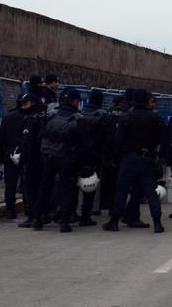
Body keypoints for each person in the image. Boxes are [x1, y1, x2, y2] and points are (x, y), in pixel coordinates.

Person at [103, 89, 166, 233]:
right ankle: (157, 222)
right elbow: (163, 139)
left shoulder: (126, 117)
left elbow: (118, 141)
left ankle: (114, 221)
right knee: (151, 192)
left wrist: (116, 158)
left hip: (129, 158)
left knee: (122, 191)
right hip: (147, 158)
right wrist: (159, 157)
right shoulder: (155, 118)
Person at [32, 89, 92, 232]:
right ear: (76, 101)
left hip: (48, 156)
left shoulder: (51, 116)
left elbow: (41, 136)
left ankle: (37, 219)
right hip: (67, 159)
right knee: (67, 189)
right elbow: (85, 145)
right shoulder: (79, 119)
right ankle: (64, 222)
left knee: (45, 187)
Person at [0, 93, 33, 219]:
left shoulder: (9, 117)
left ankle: (10, 210)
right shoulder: (31, 117)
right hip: (26, 153)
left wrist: (2, 156)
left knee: (11, 183)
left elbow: (1, 139)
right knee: (26, 182)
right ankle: (28, 209)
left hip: (11, 152)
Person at [79, 89, 113, 226]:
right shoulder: (103, 115)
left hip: (77, 153)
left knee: (72, 184)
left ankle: (69, 212)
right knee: (90, 184)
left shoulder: (79, 113)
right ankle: (86, 215)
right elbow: (109, 138)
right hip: (94, 154)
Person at [17, 93, 48, 228]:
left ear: (32, 104)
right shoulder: (44, 117)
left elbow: (28, 145)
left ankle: (33, 216)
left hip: (33, 160)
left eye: (25, 104)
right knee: (42, 188)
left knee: (30, 189)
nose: (23, 107)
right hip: (45, 158)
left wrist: (21, 159)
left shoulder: (30, 120)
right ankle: (43, 214)